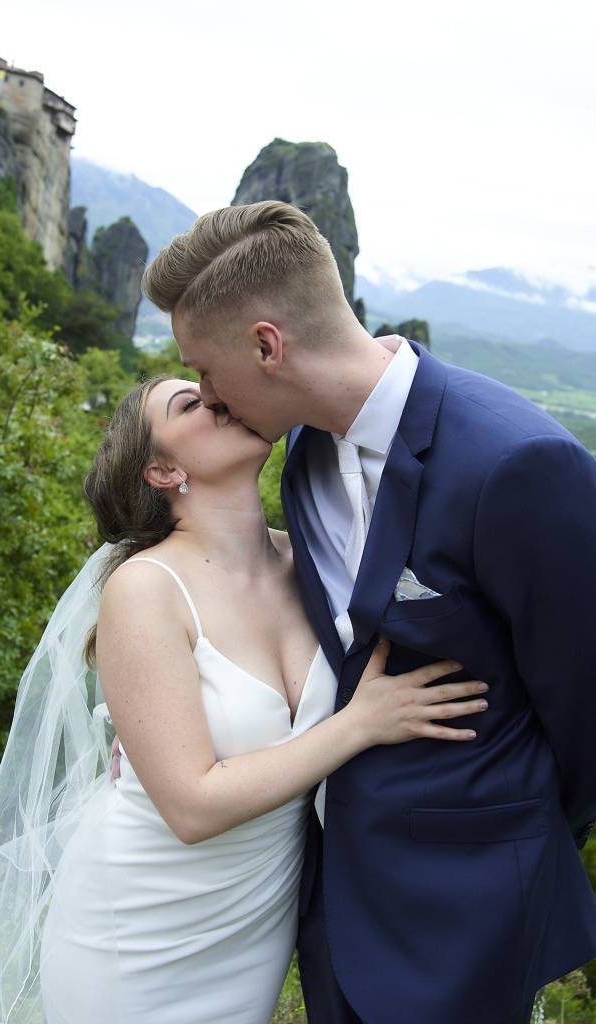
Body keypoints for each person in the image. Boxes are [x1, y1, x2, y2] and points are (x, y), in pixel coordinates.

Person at [141, 200, 596, 1024]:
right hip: (334, 903)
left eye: (204, 370)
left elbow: (584, 709)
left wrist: (503, 838)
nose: (206, 395)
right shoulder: (303, 453)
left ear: (266, 346)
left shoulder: (518, 463)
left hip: (468, 912)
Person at [0, 375, 490, 1024]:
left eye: (212, 385)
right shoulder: (145, 589)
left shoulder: (312, 563)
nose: (218, 397)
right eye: (189, 404)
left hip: (251, 920)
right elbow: (191, 806)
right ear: (162, 470)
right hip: (137, 923)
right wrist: (360, 725)